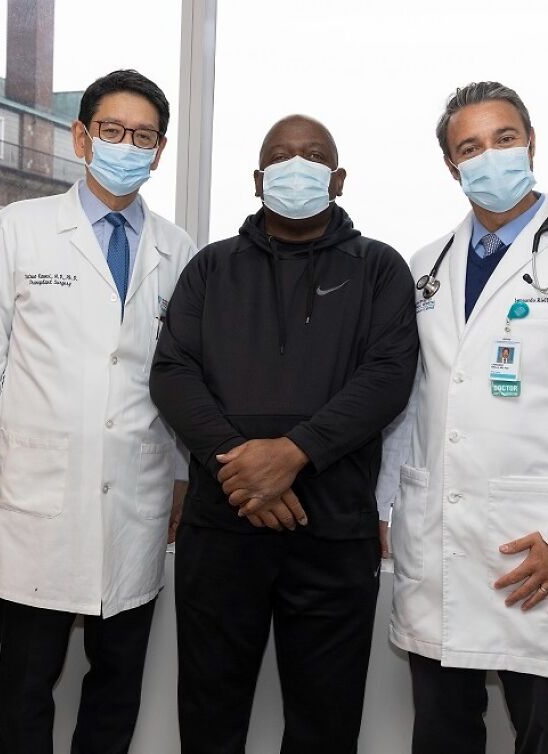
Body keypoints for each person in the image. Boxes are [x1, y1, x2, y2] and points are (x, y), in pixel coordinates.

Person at [149, 114, 419, 753]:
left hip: (333, 532)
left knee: (325, 723)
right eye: (280, 156)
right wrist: (242, 468)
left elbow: (387, 377)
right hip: (223, 524)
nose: (296, 166)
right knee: (210, 716)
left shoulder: (380, 269)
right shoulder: (211, 267)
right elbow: (173, 372)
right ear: (257, 179)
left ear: (338, 179)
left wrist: (294, 453)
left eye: (314, 156)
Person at [0, 69, 195, 754]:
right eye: (112, 130)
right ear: (82, 138)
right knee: (27, 685)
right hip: (39, 494)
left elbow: (182, 377)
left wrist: (180, 473)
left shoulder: (178, 250)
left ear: (160, 151)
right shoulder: (21, 227)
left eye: (143, 136)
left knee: (117, 685)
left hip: (137, 494)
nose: (127, 146)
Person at [378, 82, 548, 753]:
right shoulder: (427, 266)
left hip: (532, 543)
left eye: (504, 139)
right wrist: (385, 507)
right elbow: (411, 399)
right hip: (439, 536)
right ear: (452, 167)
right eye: (470, 147)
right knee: (442, 732)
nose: (489, 157)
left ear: (531, 142)